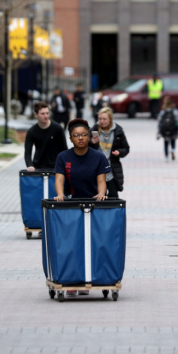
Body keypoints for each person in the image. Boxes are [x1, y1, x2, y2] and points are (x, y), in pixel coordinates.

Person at [54, 118, 111, 297]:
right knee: (72, 244)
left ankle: (90, 278)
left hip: (93, 207)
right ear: (70, 138)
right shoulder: (63, 157)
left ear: (89, 137)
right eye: (76, 135)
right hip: (71, 206)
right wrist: (60, 195)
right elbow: (59, 180)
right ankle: (73, 281)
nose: (80, 138)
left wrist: (102, 194)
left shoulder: (99, 157)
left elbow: (102, 181)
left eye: (84, 135)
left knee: (94, 243)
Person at [90, 107, 130, 198]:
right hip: (97, 170)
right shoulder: (95, 129)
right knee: (98, 197)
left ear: (110, 119)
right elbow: (86, 146)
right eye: (100, 119)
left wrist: (119, 152)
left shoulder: (118, 131)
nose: (102, 121)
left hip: (112, 170)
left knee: (113, 197)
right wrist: (91, 142)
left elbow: (126, 148)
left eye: (104, 119)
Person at [24, 102, 68, 171]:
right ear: (36, 114)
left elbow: (64, 149)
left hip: (55, 167)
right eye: (42, 113)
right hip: (38, 167)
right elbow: (27, 152)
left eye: (47, 113)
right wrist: (29, 165)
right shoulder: (32, 131)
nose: (46, 116)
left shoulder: (58, 128)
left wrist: (64, 165)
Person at [157, 96, 178, 163]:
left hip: (165, 130)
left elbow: (159, 122)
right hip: (173, 130)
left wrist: (158, 132)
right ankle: (172, 149)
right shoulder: (175, 111)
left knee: (165, 143)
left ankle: (166, 157)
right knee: (173, 141)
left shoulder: (162, 111)